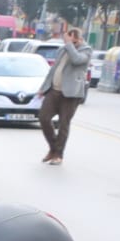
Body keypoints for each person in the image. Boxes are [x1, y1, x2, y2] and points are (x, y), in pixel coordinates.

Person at [38, 28, 91, 166]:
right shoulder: (62, 50)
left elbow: (77, 60)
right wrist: (43, 88)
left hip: (70, 94)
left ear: (74, 38)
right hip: (54, 91)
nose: (64, 39)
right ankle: (53, 147)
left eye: (67, 37)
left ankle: (58, 155)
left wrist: (69, 45)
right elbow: (54, 69)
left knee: (63, 124)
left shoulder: (86, 50)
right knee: (44, 118)